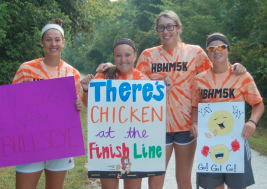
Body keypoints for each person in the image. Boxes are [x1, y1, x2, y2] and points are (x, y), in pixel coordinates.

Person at [96, 10, 247, 189]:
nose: (165, 31)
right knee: (155, 181)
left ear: (178, 28)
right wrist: (113, 66)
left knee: (183, 180)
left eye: (170, 26)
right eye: (161, 27)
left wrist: (234, 67)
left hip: (187, 125)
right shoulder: (148, 55)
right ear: (157, 30)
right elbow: (131, 77)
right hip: (157, 125)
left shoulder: (195, 52)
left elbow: (214, 73)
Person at [0, 18, 83, 189]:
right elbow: (8, 104)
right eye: (48, 39)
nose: (53, 44)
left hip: (59, 145)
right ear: (41, 41)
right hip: (29, 144)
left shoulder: (73, 73)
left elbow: (73, 108)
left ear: (63, 42)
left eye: (57, 39)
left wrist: (78, 106)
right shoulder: (26, 69)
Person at [81, 38, 172, 189]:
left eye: (127, 55)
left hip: (134, 145)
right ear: (113, 57)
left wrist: (164, 92)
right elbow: (89, 106)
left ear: (135, 55)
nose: (123, 59)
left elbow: (150, 112)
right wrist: (85, 89)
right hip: (108, 145)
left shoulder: (143, 80)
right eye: (118, 55)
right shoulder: (104, 76)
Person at [190, 33, 264, 189]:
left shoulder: (242, 75)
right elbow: (196, 105)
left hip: (236, 141)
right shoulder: (199, 79)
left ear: (228, 50)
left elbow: (258, 104)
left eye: (221, 47)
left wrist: (252, 122)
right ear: (207, 52)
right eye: (212, 48)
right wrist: (194, 122)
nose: (217, 52)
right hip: (210, 143)